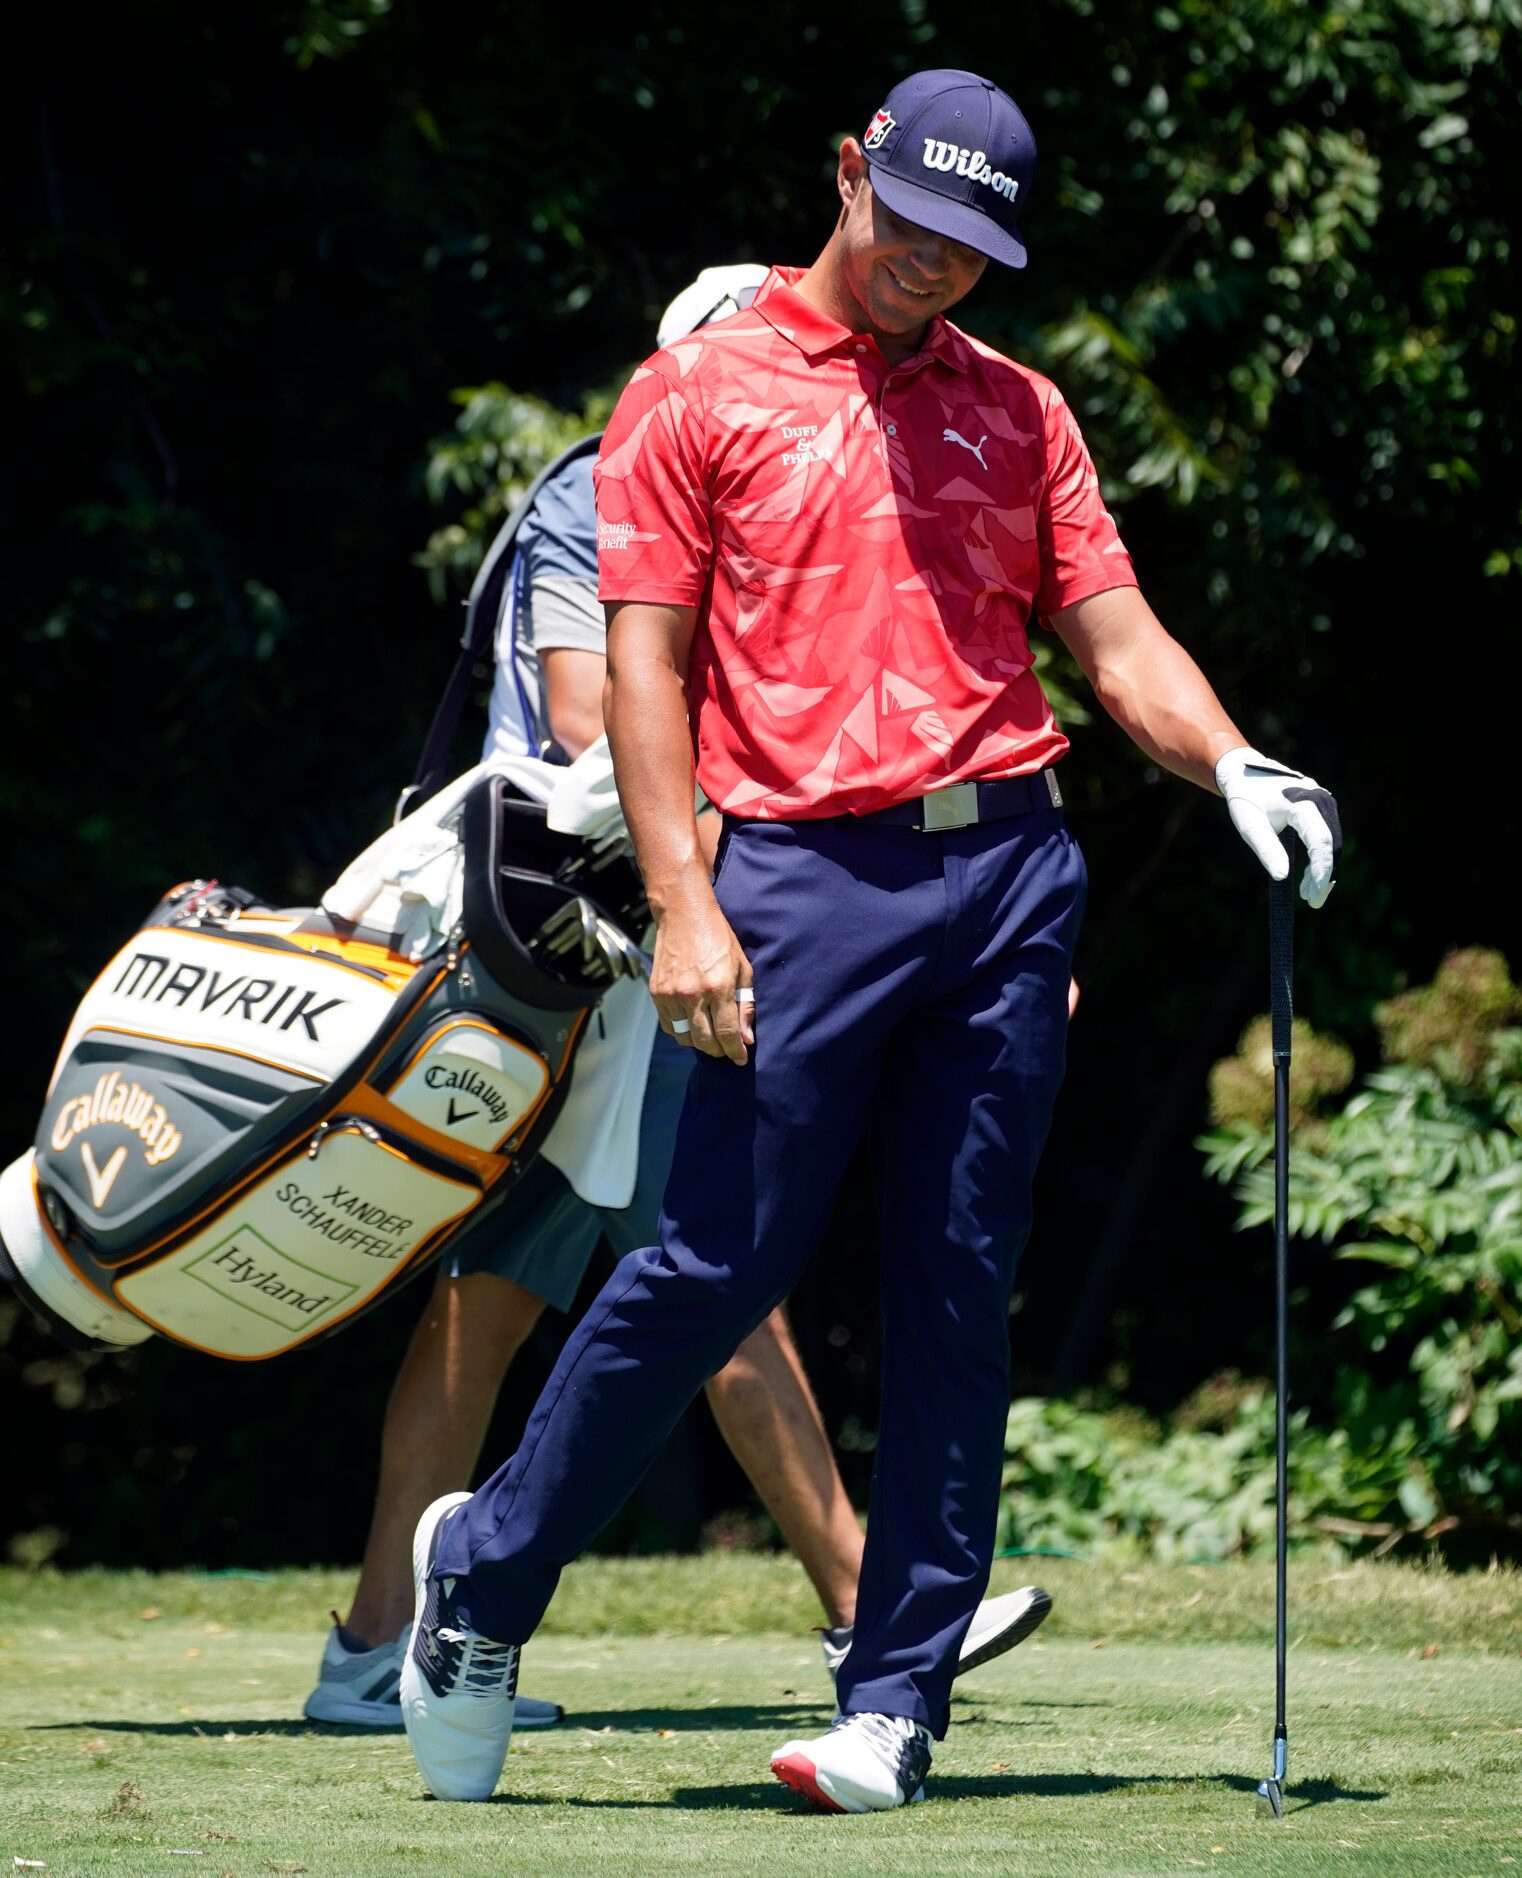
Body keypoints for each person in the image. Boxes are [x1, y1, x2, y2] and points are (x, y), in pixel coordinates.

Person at [397, 69, 1341, 1814]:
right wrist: (683, 900)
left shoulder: (1018, 411)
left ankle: (895, 1689)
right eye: (911, 226)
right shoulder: (696, 391)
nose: (934, 269)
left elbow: (1112, 635)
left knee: (957, 1280)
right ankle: (488, 1577)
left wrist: (1231, 763)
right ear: (850, 173)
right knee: (709, 1267)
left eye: (971, 250)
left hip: (1004, 873)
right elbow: (653, 670)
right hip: (797, 881)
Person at [304, 264, 1051, 1731]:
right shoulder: (599, 495)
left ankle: (373, 1643)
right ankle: (852, 1608)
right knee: (694, 1272)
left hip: (635, 966)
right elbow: (591, 719)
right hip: (589, 970)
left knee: (525, 1294)